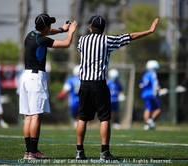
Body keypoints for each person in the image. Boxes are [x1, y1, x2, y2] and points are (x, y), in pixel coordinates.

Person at [76, 14, 158, 160]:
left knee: (82, 118)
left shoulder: (82, 40)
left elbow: (79, 49)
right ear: (103, 28)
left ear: (90, 27)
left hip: (84, 84)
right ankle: (104, 152)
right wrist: (149, 31)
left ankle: (79, 152)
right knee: (105, 118)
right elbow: (130, 36)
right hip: (99, 84)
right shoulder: (107, 40)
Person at [19, 13, 77, 159]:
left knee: (28, 117)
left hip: (25, 77)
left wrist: (61, 29)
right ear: (45, 27)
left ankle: (28, 151)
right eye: (49, 25)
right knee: (36, 116)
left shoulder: (30, 35)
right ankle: (33, 152)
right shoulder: (42, 40)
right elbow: (66, 44)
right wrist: (70, 32)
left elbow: (49, 32)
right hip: (36, 78)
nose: (51, 27)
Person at [139, 60, 162, 130]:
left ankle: (147, 124)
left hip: (145, 94)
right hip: (152, 94)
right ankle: (151, 121)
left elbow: (141, 85)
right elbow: (155, 85)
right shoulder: (153, 74)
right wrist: (159, 90)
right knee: (159, 108)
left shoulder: (145, 74)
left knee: (147, 109)